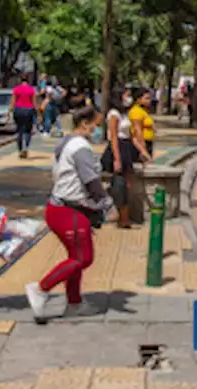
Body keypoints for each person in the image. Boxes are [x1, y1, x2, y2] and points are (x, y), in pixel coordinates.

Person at [25, 106, 114, 322]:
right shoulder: (80, 147)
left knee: (75, 258)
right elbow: (91, 180)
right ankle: (40, 289)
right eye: (96, 125)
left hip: (62, 208)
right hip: (68, 211)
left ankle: (74, 304)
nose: (98, 130)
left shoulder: (66, 142)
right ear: (84, 124)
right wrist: (107, 204)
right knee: (84, 258)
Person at [104, 91, 143, 229]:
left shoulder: (124, 114)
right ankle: (123, 217)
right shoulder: (113, 114)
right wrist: (117, 159)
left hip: (127, 148)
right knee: (119, 183)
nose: (128, 98)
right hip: (118, 148)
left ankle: (123, 216)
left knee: (127, 184)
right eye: (125, 94)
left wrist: (142, 151)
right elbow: (113, 137)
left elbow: (130, 135)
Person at [9, 75, 39, 159]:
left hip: (18, 110)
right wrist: (38, 114)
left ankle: (20, 149)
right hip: (28, 110)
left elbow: (12, 102)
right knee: (28, 130)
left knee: (19, 130)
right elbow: (35, 103)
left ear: (20, 80)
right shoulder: (31, 89)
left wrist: (9, 112)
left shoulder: (16, 89)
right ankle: (25, 147)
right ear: (28, 80)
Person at [128, 88, 157, 163]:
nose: (149, 100)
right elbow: (137, 129)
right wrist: (142, 145)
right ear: (139, 99)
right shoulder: (136, 111)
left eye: (150, 98)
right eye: (146, 98)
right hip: (141, 143)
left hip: (148, 142)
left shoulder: (143, 111)